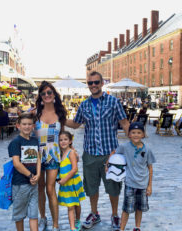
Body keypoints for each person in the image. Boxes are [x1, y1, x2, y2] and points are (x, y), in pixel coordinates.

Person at [66, 71, 129, 231]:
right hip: (90, 153)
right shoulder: (84, 104)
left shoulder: (114, 102)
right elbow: (75, 124)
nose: (93, 85)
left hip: (111, 154)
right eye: (90, 83)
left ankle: (115, 215)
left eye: (96, 82)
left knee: (113, 187)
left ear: (102, 83)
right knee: (91, 187)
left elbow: (124, 122)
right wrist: (57, 118)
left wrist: (135, 143)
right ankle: (94, 213)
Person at [34, 81, 67, 231]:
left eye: (49, 92)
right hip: (38, 157)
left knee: (50, 189)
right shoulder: (36, 113)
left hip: (53, 155)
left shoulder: (60, 113)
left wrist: (70, 151)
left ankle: (55, 224)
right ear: (40, 96)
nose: (46, 95)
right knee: (40, 188)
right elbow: (28, 133)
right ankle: (43, 218)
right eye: (43, 93)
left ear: (54, 94)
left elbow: (63, 136)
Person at [114, 122, 156, 231]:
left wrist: (149, 186)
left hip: (142, 184)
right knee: (126, 208)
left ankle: (137, 227)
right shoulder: (125, 147)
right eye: (133, 132)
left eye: (139, 132)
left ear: (143, 134)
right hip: (130, 184)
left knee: (139, 208)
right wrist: (109, 163)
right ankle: (121, 228)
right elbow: (115, 153)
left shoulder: (147, 150)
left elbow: (150, 168)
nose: (136, 135)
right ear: (129, 135)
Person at [8, 113, 41, 231]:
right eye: (24, 124)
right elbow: (17, 163)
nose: (27, 126)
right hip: (20, 183)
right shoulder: (16, 142)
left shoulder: (35, 140)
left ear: (33, 126)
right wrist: (30, 175)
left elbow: (38, 158)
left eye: (29, 124)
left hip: (33, 183)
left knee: (33, 213)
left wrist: (38, 175)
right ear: (18, 126)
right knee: (19, 214)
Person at [57, 131, 85, 231]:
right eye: (61, 140)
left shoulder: (71, 153)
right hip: (65, 184)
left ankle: (75, 223)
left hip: (72, 182)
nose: (63, 141)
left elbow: (74, 169)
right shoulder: (61, 153)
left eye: (65, 139)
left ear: (70, 141)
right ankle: (73, 226)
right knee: (71, 205)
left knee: (75, 204)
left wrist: (64, 179)